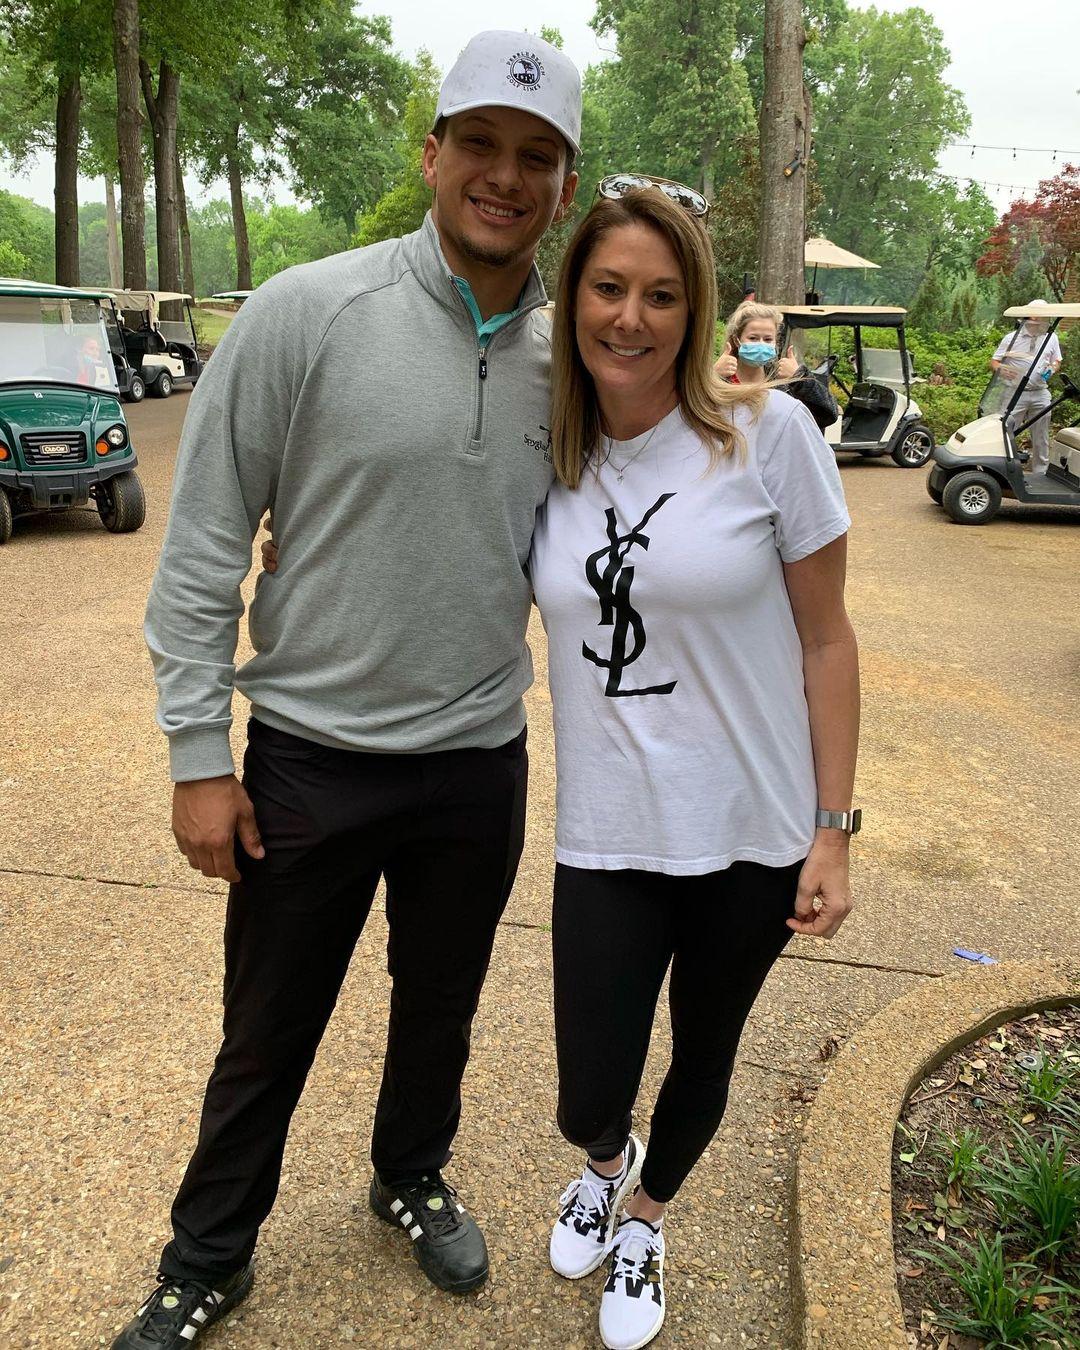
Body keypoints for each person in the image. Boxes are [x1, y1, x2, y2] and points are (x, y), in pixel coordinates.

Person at [114, 30, 581, 1350]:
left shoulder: (575, 360)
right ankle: (208, 1256)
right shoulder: (307, 312)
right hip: (311, 758)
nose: (504, 174)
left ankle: (409, 1171)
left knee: (442, 1001)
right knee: (265, 1031)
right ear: (431, 152)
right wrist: (199, 754)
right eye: (480, 144)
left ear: (562, 182)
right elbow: (204, 540)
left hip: (477, 756)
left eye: (536, 156)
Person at [531, 186, 859, 1350]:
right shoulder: (548, 453)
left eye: (663, 295)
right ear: (572, 299)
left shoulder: (768, 435)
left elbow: (827, 638)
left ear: (697, 307)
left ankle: (650, 1219)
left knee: (705, 1054)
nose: (632, 317)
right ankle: (604, 1168)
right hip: (609, 832)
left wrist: (833, 827)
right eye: (609, 288)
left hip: (752, 831)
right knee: (587, 1087)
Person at [715, 299, 840, 432]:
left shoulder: (783, 382)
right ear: (736, 340)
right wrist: (711, 377)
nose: (761, 344)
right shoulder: (721, 378)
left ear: (776, 342)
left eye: (768, 339)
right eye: (753, 338)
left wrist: (799, 378)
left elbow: (828, 415)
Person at [990, 299, 1062, 472]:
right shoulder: (1012, 338)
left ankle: (1041, 472)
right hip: (1015, 392)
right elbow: (994, 361)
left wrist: (1052, 369)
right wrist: (1002, 369)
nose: (1044, 319)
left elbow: (1057, 360)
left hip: (1040, 392)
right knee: (1005, 428)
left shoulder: (1051, 337)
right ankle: (1002, 468)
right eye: (1040, 315)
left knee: (1041, 435)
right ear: (1030, 315)